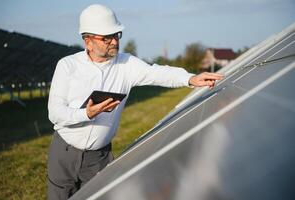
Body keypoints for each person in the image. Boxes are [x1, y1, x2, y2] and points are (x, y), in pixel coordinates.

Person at [47, 4, 223, 200]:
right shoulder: (67, 66)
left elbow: (157, 73)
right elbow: (54, 112)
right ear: (88, 41)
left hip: (99, 158)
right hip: (64, 152)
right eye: (107, 38)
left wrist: (190, 78)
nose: (114, 41)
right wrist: (86, 114)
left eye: (117, 35)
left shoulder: (127, 64)